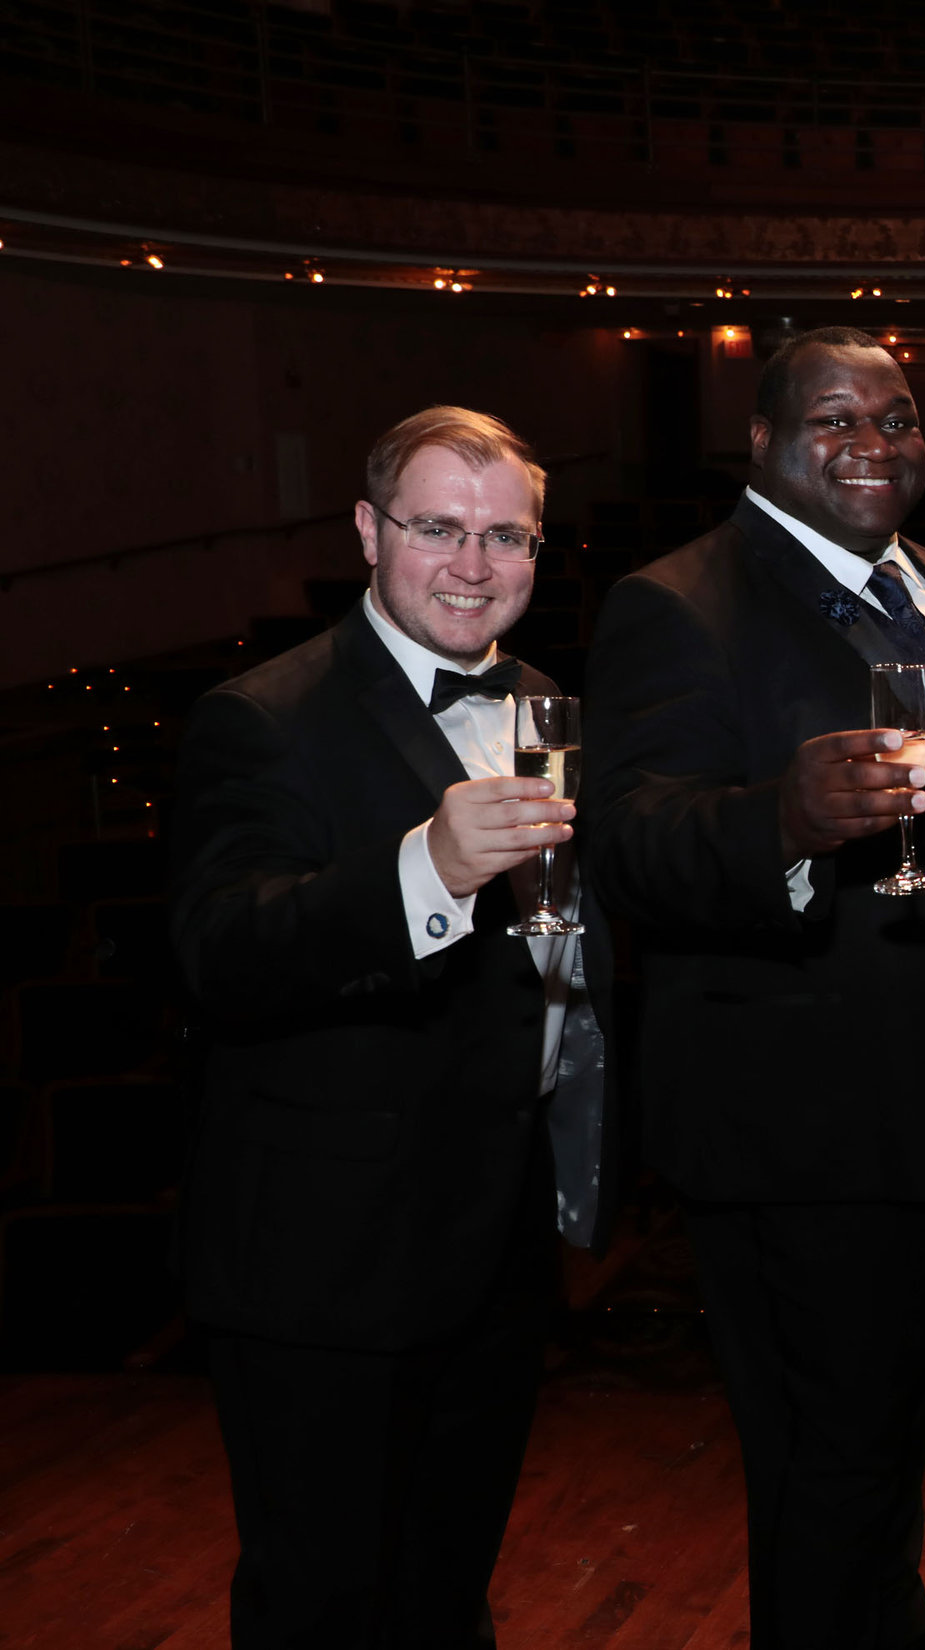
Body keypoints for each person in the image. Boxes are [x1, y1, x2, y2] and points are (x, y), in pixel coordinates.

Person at [580, 327, 925, 1650]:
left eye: (896, 419)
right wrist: (776, 822)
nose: (872, 446)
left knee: (893, 1418)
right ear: (761, 443)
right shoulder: (679, 600)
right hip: (803, 1113)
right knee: (824, 1444)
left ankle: (884, 1618)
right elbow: (629, 840)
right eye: (833, 422)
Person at [171, 405, 616, 1648]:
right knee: (321, 1606)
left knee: (445, 1592)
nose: (473, 565)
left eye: (505, 536)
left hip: (491, 1240)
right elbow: (223, 952)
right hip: (323, 1260)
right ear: (369, 531)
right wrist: (424, 870)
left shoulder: (547, 705)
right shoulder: (261, 716)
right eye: (437, 529)